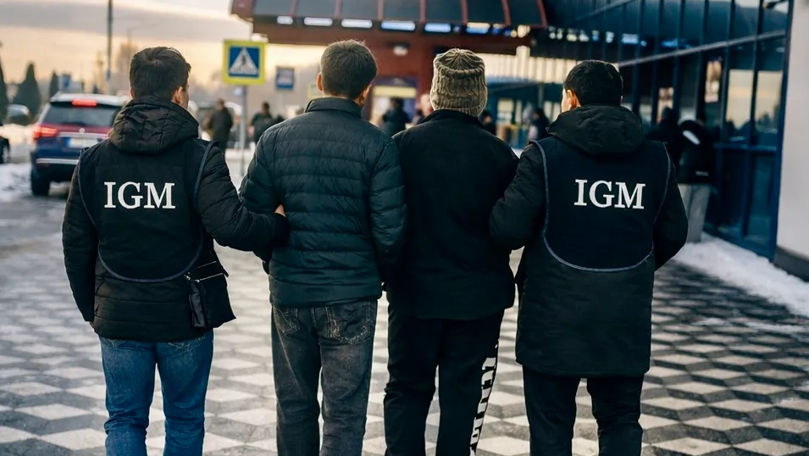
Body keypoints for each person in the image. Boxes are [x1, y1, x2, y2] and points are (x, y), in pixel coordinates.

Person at [62, 47, 289, 456]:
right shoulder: (199, 158)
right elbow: (232, 227)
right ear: (180, 93)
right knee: (184, 418)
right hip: (185, 313)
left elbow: (76, 243)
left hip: (118, 313)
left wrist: (92, 308)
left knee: (124, 420)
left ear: (133, 90)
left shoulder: (94, 162)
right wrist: (277, 223)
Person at [489, 60, 688, 456]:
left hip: (551, 316)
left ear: (571, 98)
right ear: (619, 100)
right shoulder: (656, 158)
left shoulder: (545, 155)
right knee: (620, 421)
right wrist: (634, 265)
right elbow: (673, 233)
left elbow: (507, 229)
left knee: (551, 428)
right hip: (623, 316)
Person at [240, 40, 406, 456]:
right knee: (344, 414)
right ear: (365, 90)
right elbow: (390, 232)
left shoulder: (275, 139)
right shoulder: (378, 145)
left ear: (319, 80)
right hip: (351, 297)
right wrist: (375, 276)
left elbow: (249, 218)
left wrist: (275, 258)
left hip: (291, 291)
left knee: (294, 406)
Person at [384, 49, 518, 456]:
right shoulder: (500, 156)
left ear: (436, 94)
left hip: (414, 295)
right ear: (479, 98)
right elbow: (511, 230)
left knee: (406, 389)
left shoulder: (401, 147)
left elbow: (386, 221)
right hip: (478, 302)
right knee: (463, 395)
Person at [677, 116, 715, 242]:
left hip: (685, 177)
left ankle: (678, 239)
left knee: (682, 210)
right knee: (698, 212)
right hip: (704, 178)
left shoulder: (681, 134)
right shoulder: (708, 137)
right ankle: (693, 239)